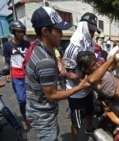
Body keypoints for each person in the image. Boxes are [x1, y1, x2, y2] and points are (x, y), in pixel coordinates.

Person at [25, 6, 90, 141]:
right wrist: (80, 86)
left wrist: (62, 76)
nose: (62, 34)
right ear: (45, 31)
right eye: (58, 30)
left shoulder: (43, 50)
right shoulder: (45, 60)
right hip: (42, 114)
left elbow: (41, 80)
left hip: (36, 108)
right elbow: (52, 96)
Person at [62, 12, 101, 141]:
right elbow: (69, 74)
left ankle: (90, 129)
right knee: (76, 122)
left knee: (90, 111)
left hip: (87, 88)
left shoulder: (89, 42)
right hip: (76, 92)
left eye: (94, 31)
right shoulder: (73, 47)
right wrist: (83, 82)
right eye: (90, 30)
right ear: (83, 26)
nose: (92, 34)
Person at [3, 20, 30, 125]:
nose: (21, 33)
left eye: (22, 31)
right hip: (17, 77)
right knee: (22, 99)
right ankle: (24, 115)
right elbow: (7, 61)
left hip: (28, 76)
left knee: (32, 97)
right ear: (13, 31)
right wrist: (6, 72)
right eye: (19, 31)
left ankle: (31, 113)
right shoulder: (7, 46)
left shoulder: (27, 44)